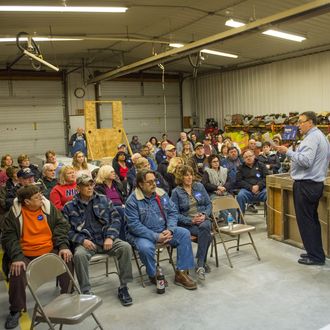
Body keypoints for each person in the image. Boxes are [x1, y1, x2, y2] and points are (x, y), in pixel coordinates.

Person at [2, 185, 73, 329]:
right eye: (37, 197)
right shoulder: (14, 214)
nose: (41, 198)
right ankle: (16, 310)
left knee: (67, 258)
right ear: (27, 202)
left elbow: (62, 225)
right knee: (17, 270)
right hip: (25, 254)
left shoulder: (47, 207)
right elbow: (8, 238)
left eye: (40, 195)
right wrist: (16, 257)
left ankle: (68, 295)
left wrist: (63, 246)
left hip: (48, 249)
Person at [63, 174, 133, 305]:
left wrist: (110, 237)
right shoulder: (69, 206)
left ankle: (124, 287)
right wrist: (82, 240)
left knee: (125, 247)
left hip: (105, 239)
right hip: (86, 242)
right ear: (78, 188)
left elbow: (116, 219)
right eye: (86, 185)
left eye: (91, 184)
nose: (90, 188)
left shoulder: (103, 200)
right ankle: (86, 291)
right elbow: (67, 230)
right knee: (79, 255)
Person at [125, 169, 197, 290]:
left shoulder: (161, 193)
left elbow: (172, 212)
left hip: (164, 229)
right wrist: (156, 236)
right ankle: (153, 274)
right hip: (142, 235)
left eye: (155, 181)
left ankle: (181, 273)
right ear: (140, 184)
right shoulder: (132, 201)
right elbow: (134, 225)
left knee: (184, 233)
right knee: (145, 247)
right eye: (149, 182)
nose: (154, 184)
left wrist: (170, 229)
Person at [277, 111, 330, 266]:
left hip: (306, 185)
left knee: (307, 221)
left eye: (301, 122)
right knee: (311, 220)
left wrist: (288, 152)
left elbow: (306, 161)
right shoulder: (320, 136)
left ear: (310, 122)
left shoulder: (313, 138)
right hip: (313, 184)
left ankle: (315, 257)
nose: (298, 125)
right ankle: (314, 252)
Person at [171, 165, 212, 280]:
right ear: (181, 177)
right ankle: (201, 264)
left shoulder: (199, 186)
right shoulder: (176, 192)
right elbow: (174, 213)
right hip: (188, 224)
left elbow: (209, 204)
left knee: (205, 225)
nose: (189, 177)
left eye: (191, 174)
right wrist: (191, 220)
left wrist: (204, 215)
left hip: (203, 220)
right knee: (207, 236)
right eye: (186, 175)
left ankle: (199, 265)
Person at [94, 165, 127, 240]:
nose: (114, 173)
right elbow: (100, 202)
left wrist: (124, 204)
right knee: (120, 211)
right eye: (111, 172)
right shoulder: (98, 188)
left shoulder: (117, 185)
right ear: (105, 173)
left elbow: (124, 197)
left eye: (114, 171)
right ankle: (123, 239)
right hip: (107, 209)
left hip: (121, 206)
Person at [236, 149, 268, 214]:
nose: (248, 158)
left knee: (269, 194)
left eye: (250, 156)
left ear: (254, 156)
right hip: (247, 191)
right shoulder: (240, 168)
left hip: (261, 190)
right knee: (240, 196)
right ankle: (241, 220)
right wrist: (251, 188)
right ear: (243, 159)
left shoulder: (261, 165)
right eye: (246, 157)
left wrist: (258, 186)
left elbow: (266, 178)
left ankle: (270, 220)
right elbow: (239, 181)